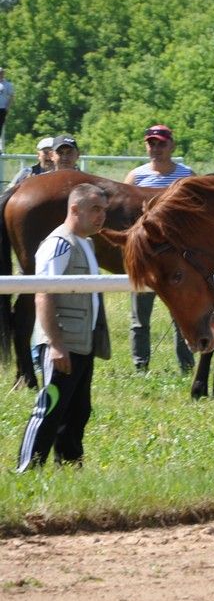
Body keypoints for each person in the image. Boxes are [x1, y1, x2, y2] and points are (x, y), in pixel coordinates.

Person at [15, 184, 111, 472]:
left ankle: (69, 467)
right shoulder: (60, 243)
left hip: (82, 343)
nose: (101, 216)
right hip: (62, 343)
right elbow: (44, 293)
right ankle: (28, 468)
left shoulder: (87, 244)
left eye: (103, 210)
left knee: (78, 411)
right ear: (74, 209)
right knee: (50, 407)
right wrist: (55, 344)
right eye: (95, 209)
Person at [124, 125, 196, 373]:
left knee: (181, 313)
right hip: (147, 258)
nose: (156, 149)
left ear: (172, 146)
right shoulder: (135, 177)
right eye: (151, 143)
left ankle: (186, 365)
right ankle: (140, 366)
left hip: (176, 259)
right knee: (139, 317)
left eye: (161, 144)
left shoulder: (186, 176)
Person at [0, 67, 12, 134]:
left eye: (1, 73)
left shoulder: (7, 84)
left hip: (2, 108)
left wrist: (7, 107)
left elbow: (11, 96)